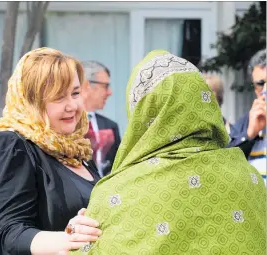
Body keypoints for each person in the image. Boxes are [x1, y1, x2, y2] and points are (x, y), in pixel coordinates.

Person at [71, 50, 266, 254]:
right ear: (204, 103)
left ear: (142, 112)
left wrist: (71, 234)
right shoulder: (250, 180)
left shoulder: (116, 193)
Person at [0, 48, 103, 255]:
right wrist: (67, 238)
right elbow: (9, 233)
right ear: (31, 102)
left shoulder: (77, 153)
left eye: (75, 93)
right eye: (58, 97)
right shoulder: (9, 146)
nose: (72, 106)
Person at [228, 49, 266, 184]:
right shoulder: (249, 120)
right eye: (260, 84)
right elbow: (225, 164)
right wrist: (248, 135)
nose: (265, 90)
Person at [81, 61, 121, 177]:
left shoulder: (111, 126)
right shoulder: (66, 125)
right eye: (105, 86)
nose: (110, 92)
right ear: (86, 85)